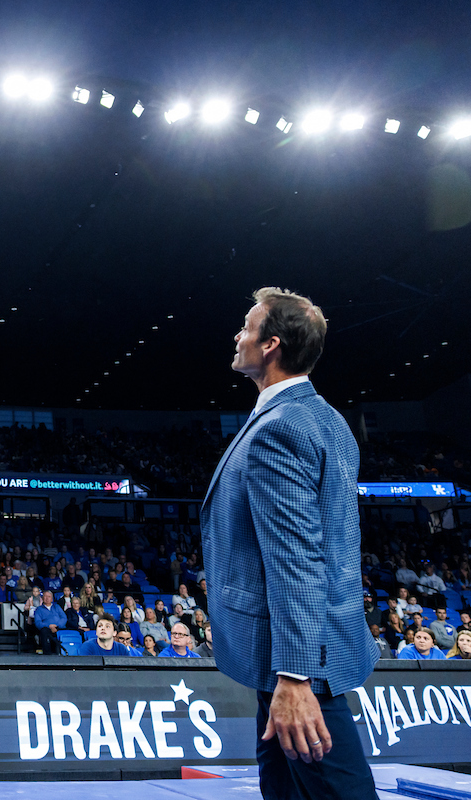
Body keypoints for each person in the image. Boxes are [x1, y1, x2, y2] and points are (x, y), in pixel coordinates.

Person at [201, 287, 378, 798]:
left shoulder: (279, 429)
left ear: (271, 344)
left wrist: (296, 677)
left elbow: (296, 560)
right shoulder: (326, 418)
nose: (238, 336)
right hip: (291, 653)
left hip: (300, 664)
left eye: (247, 327)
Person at [34, 590, 66, 655]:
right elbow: (38, 623)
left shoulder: (57, 607)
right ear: (42, 598)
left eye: (49, 597)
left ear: (52, 599)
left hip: (59, 627)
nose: (47, 598)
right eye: (45, 596)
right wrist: (49, 626)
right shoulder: (39, 609)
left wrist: (56, 626)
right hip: (47, 628)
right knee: (44, 631)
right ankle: (47, 653)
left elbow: (64, 618)